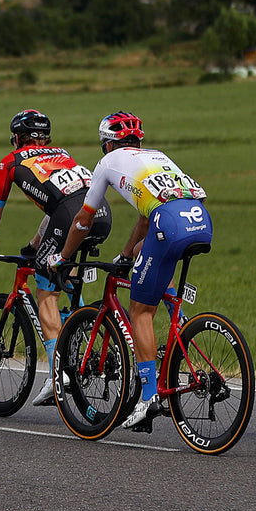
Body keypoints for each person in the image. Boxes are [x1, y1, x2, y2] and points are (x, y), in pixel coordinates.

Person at [60, 111, 211, 430]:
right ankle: (177, 319)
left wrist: (64, 257)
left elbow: (84, 219)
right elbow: (145, 217)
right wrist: (127, 254)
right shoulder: (158, 156)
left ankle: (147, 398)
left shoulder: (107, 162)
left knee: (140, 312)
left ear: (107, 144)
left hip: (167, 222)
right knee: (147, 252)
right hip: (199, 218)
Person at [0, 109, 110, 407]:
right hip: (103, 213)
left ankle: (58, 374)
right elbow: (54, 210)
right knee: (62, 271)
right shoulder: (61, 153)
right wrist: (34, 244)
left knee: (45, 287)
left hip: (71, 215)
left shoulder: (11, 161)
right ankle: (81, 329)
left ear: (17, 137)